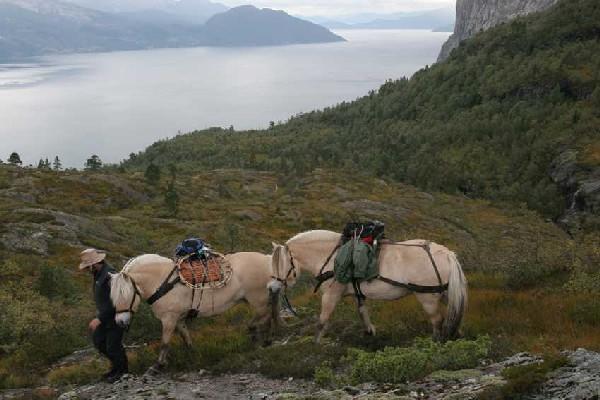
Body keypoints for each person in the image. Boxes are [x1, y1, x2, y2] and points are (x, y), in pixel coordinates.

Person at [78, 248, 128, 383]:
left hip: (116, 317)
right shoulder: (98, 274)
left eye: (88, 266)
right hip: (105, 317)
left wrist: (99, 319)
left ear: (94, 264)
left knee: (113, 346)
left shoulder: (110, 274)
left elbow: (116, 301)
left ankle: (122, 372)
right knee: (99, 341)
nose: (87, 269)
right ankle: (116, 368)